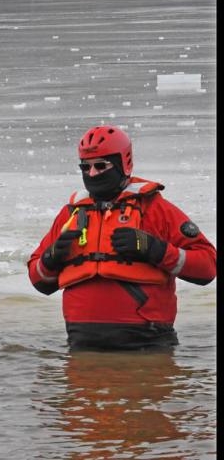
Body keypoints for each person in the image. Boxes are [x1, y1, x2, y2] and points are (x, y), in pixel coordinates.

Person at [27, 125, 216, 349]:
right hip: (82, 347)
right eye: (85, 167)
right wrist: (51, 257)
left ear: (122, 164)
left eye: (101, 165)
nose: (92, 173)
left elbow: (208, 266)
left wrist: (153, 248)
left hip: (147, 345)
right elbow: (39, 281)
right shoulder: (71, 214)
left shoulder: (156, 209)